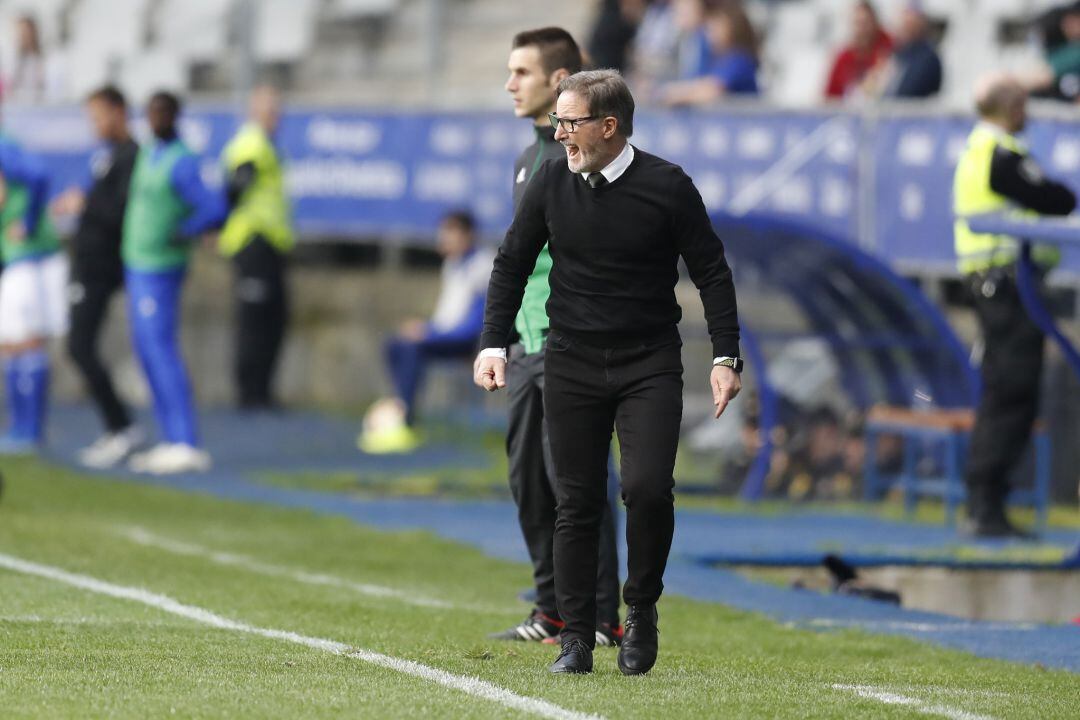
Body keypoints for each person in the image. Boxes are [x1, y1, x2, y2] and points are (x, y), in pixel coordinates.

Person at [474, 69, 742, 675]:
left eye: (570, 123)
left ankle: (640, 611)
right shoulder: (550, 181)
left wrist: (726, 357)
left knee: (647, 489)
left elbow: (713, 271)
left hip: (648, 361)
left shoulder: (668, 186)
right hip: (569, 358)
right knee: (576, 501)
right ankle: (575, 636)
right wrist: (494, 344)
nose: (560, 133)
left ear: (609, 126)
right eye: (558, 123)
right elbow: (510, 264)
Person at [490, 27, 623, 649]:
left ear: (559, 79)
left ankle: (597, 617)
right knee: (529, 482)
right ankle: (550, 609)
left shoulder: (586, 156)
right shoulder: (528, 158)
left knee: (578, 485)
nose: (511, 84)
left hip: (572, 343)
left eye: (522, 72)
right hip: (525, 344)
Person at [952, 74, 1076, 538]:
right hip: (1004, 285)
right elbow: (1055, 197)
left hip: (1000, 284)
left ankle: (988, 502)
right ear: (1011, 108)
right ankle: (985, 502)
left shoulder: (981, 149)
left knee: (1008, 390)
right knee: (1011, 391)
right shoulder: (1000, 154)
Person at [123, 91, 226, 475]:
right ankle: (169, 437)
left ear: (175, 116)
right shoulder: (150, 153)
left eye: (162, 112)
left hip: (160, 268)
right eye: (151, 112)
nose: (155, 119)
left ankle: (186, 439)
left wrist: (184, 232)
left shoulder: (182, 162)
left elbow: (214, 208)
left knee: (161, 348)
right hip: (137, 263)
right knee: (146, 351)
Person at [51, 85, 142, 468]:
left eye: (98, 116)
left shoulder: (131, 156)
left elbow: (120, 211)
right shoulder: (109, 158)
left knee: (79, 345)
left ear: (119, 112)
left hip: (101, 266)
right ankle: (117, 426)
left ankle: (120, 426)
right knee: (78, 345)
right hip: (88, 262)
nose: (95, 125)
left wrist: (85, 203)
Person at [359, 210, 493, 454]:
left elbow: (473, 326)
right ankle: (400, 404)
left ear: (467, 235)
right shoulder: (452, 265)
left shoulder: (483, 267)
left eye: (450, 233)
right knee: (395, 343)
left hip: (468, 342)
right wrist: (426, 328)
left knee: (412, 348)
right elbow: (447, 317)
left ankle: (406, 418)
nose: (443, 239)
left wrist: (429, 335)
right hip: (445, 335)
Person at [219, 85, 293, 411]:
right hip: (254, 241)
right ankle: (250, 393)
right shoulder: (251, 142)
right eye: (270, 110)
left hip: (270, 242)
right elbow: (237, 184)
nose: (276, 117)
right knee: (255, 320)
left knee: (273, 319)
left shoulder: (264, 143)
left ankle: (261, 390)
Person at [0, 131, 67, 453]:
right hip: (14, 257)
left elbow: (39, 176)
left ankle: (30, 430)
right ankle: (20, 427)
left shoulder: (4, 146)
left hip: (27, 255)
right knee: (11, 342)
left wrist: (26, 222)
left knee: (25, 339)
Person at [659, 0, 759, 106]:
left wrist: (675, 95)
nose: (710, 33)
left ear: (732, 29)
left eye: (716, 27)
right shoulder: (718, 59)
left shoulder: (739, 59)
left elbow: (712, 89)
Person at [824, 1, 892, 100]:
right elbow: (829, 97)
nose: (862, 29)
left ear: (875, 23)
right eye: (857, 23)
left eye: (865, 23)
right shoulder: (843, 58)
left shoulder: (889, 48)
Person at [879, 2, 942, 99]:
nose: (904, 27)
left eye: (911, 23)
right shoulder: (899, 54)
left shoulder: (927, 58)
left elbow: (908, 93)